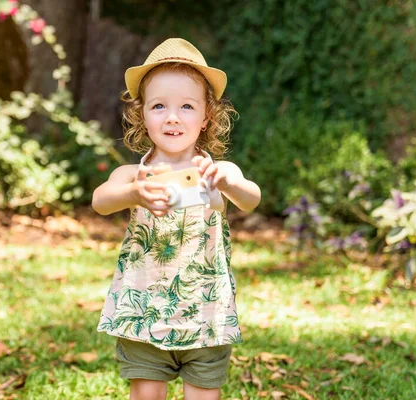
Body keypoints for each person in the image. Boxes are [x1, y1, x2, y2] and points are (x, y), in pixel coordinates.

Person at [91, 38, 261, 400]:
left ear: (206, 118)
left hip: (206, 315)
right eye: (158, 106)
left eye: (186, 106)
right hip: (144, 314)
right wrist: (134, 194)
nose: (172, 116)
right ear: (142, 116)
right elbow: (100, 201)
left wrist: (227, 182)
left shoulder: (218, 171)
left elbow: (251, 198)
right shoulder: (132, 175)